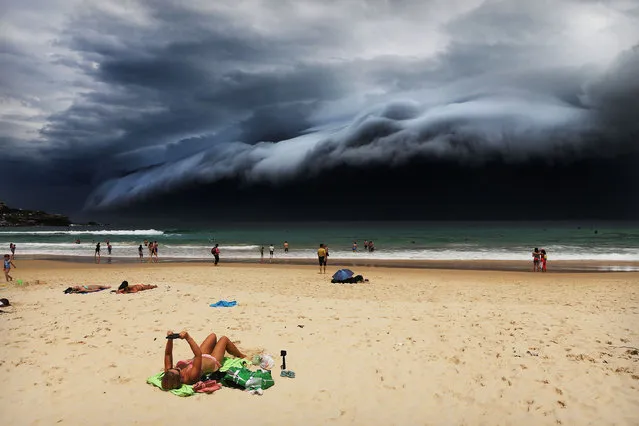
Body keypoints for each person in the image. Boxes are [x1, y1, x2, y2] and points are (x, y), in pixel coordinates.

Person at [161, 330, 246, 390]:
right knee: (224, 339)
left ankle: (221, 349)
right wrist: (188, 338)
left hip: (201, 356)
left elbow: (168, 354)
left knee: (212, 336)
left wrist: (170, 339)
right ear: (180, 378)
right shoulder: (191, 376)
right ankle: (241, 356)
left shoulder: (170, 373)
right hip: (213, 361)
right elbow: (198, 356)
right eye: (177, 370)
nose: (177, 368)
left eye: (174, 368)